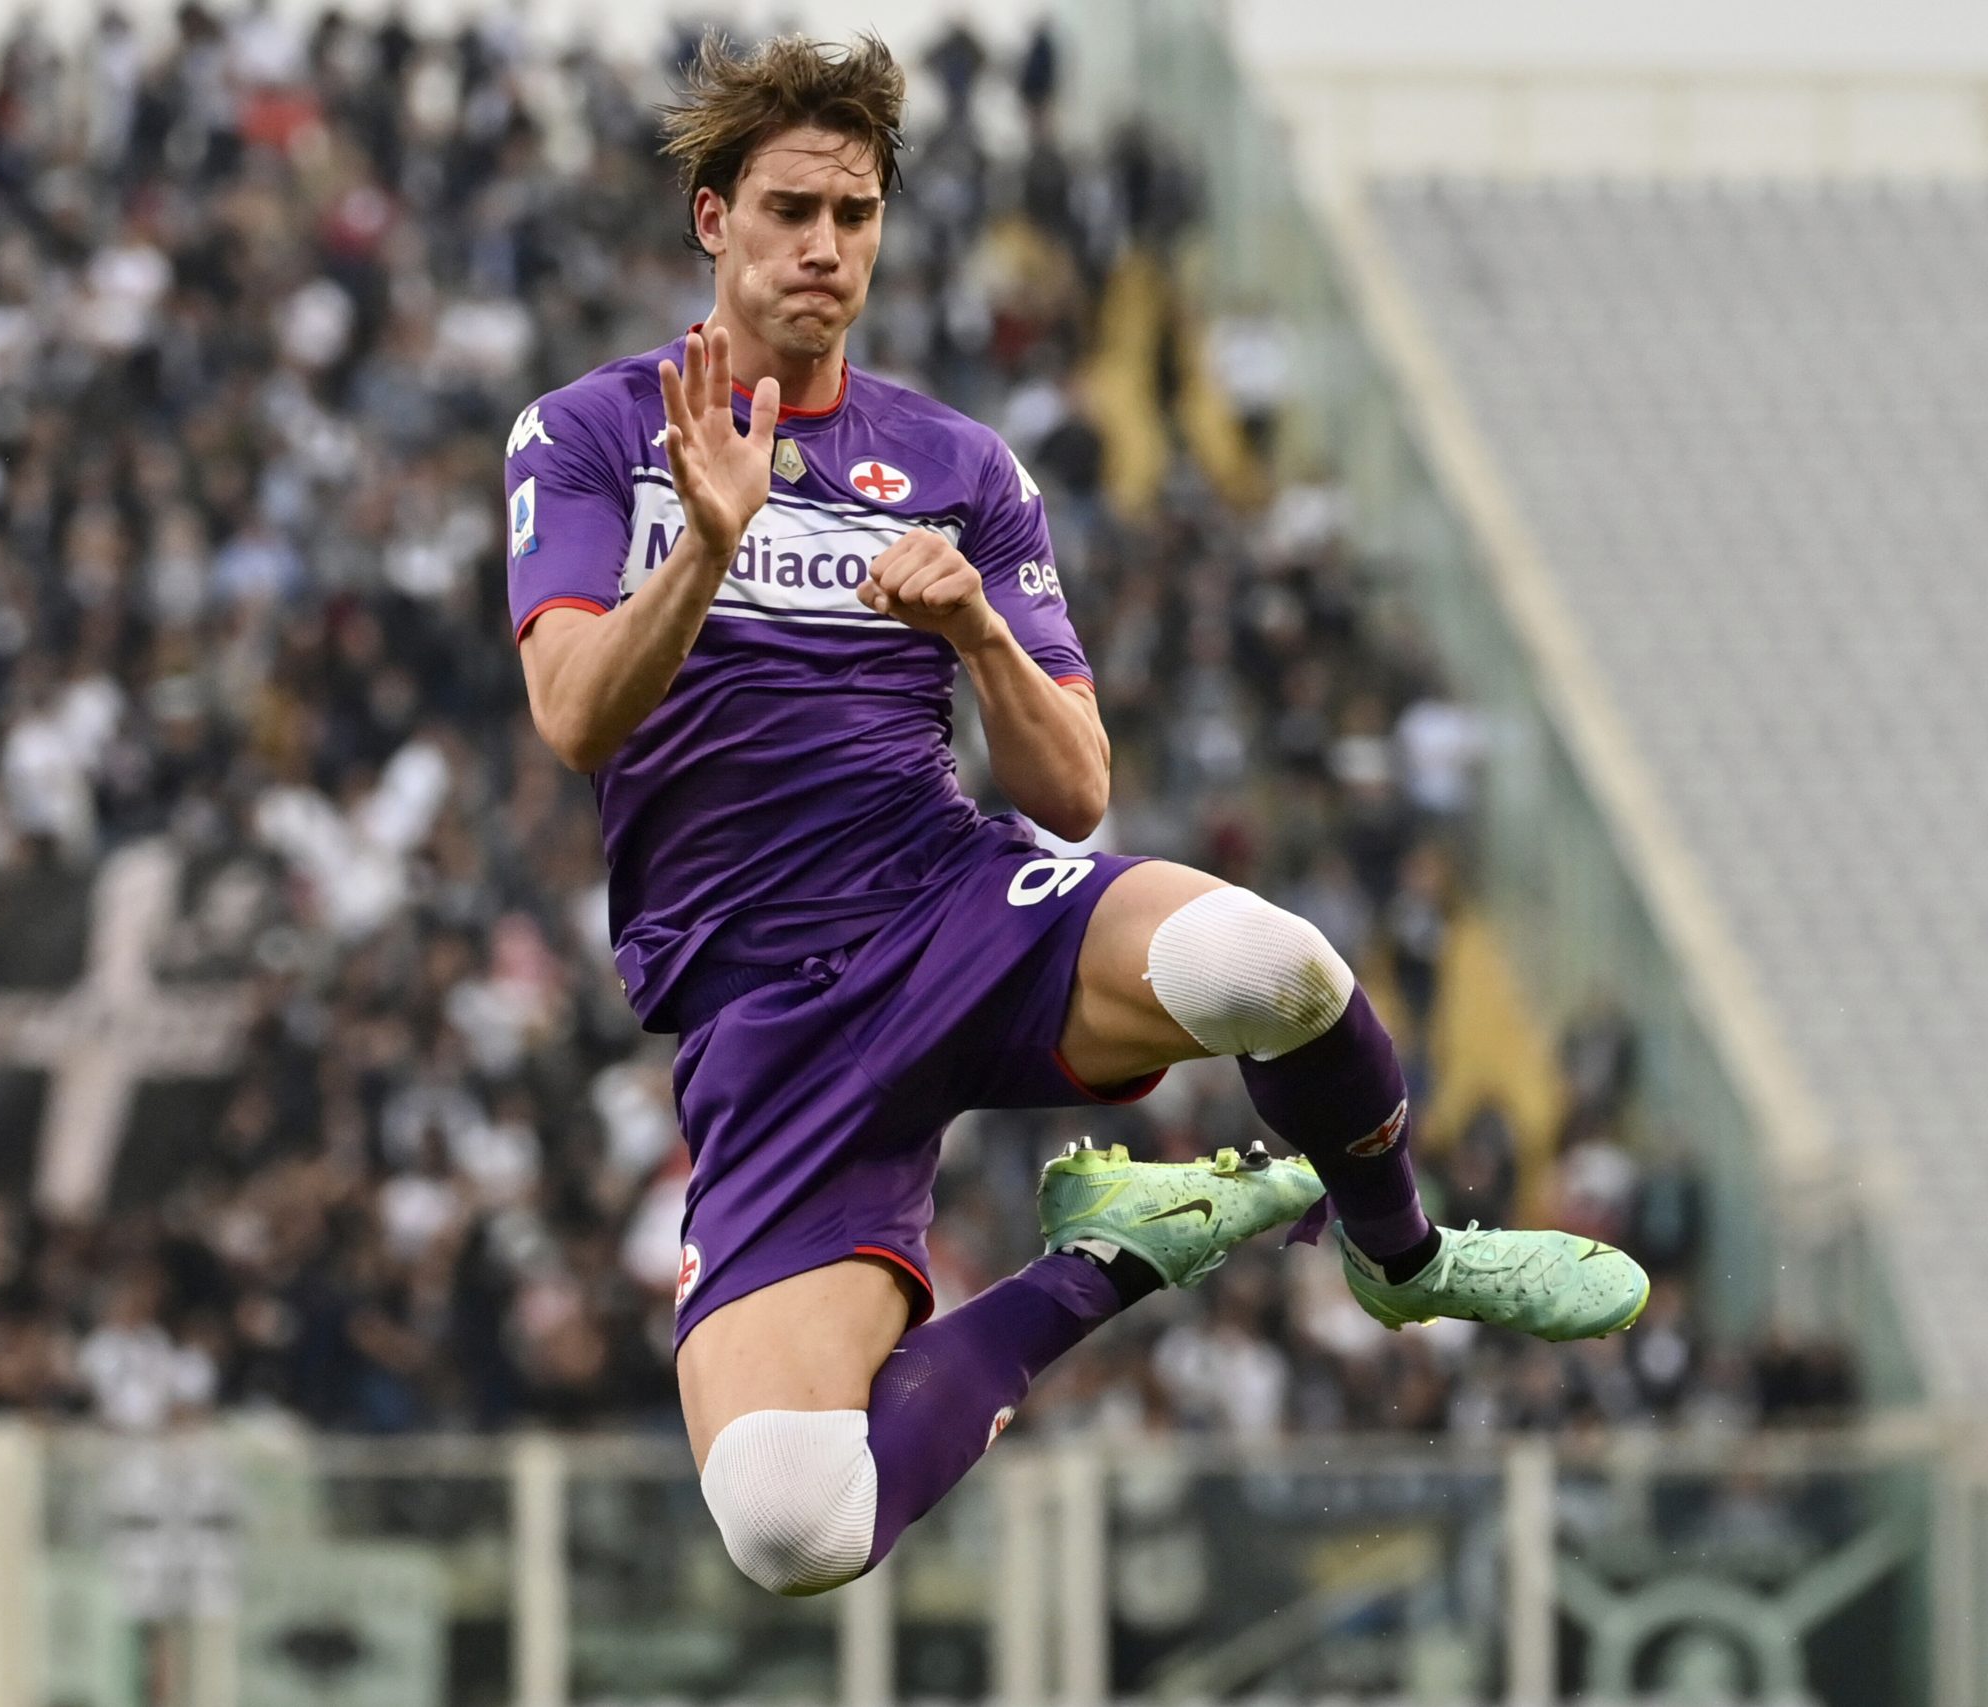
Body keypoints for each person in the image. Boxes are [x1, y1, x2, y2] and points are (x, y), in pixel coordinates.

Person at [556, 30, 1653, 1599]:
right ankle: (1129, 1244)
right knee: (796, 1529)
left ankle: (1405, 1259)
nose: (824, 248)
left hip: (945, 908)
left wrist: (979, 637)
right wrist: (707, 546)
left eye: (855, 215)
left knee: (1270, 969)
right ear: (711, 218)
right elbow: (575, 712)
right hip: (761, 1015)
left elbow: (1073, 791)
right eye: (791, 209)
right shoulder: (598, 434)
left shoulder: (954, 463)